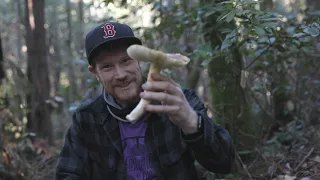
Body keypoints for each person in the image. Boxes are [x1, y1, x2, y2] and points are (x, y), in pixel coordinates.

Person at [55, 22, 235, 180]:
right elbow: (68, 173)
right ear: (95, 73)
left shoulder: (179, 101)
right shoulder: (87, 118)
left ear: (139, 61)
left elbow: (224, 164)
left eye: (126, 60)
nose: (121, 75)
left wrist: (191, 122)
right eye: (107, 66)